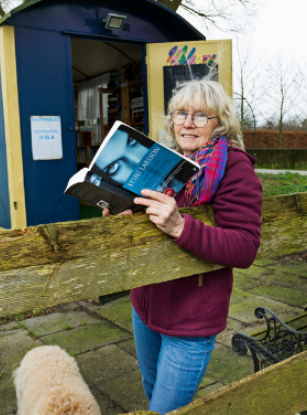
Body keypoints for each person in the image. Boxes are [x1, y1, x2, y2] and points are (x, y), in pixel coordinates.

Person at [101, 78, 262, 413]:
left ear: (221, 124)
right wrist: (121, 212)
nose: (188, 123)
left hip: (191, 317)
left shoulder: (233, 167)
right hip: (144, 306)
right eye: (180, 114)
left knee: (165, 409)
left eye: (201, 115)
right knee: (151, 394)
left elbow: (245, 246)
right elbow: (148, 222)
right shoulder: (163, 161)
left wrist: (180, 227)